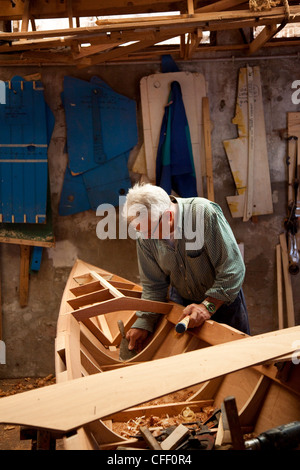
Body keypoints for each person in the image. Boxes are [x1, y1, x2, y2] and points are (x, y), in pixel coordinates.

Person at [122, 183, 250, 352]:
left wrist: (207, 307)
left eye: (149, 231)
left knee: (237, 357)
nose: (145, 237)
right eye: (140, 232)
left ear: (168, 216)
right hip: (183, 303)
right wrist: (144, 322)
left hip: (223, 303)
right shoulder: (145, 235)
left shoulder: (203, 214)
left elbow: (232, 270)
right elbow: (154, 286)